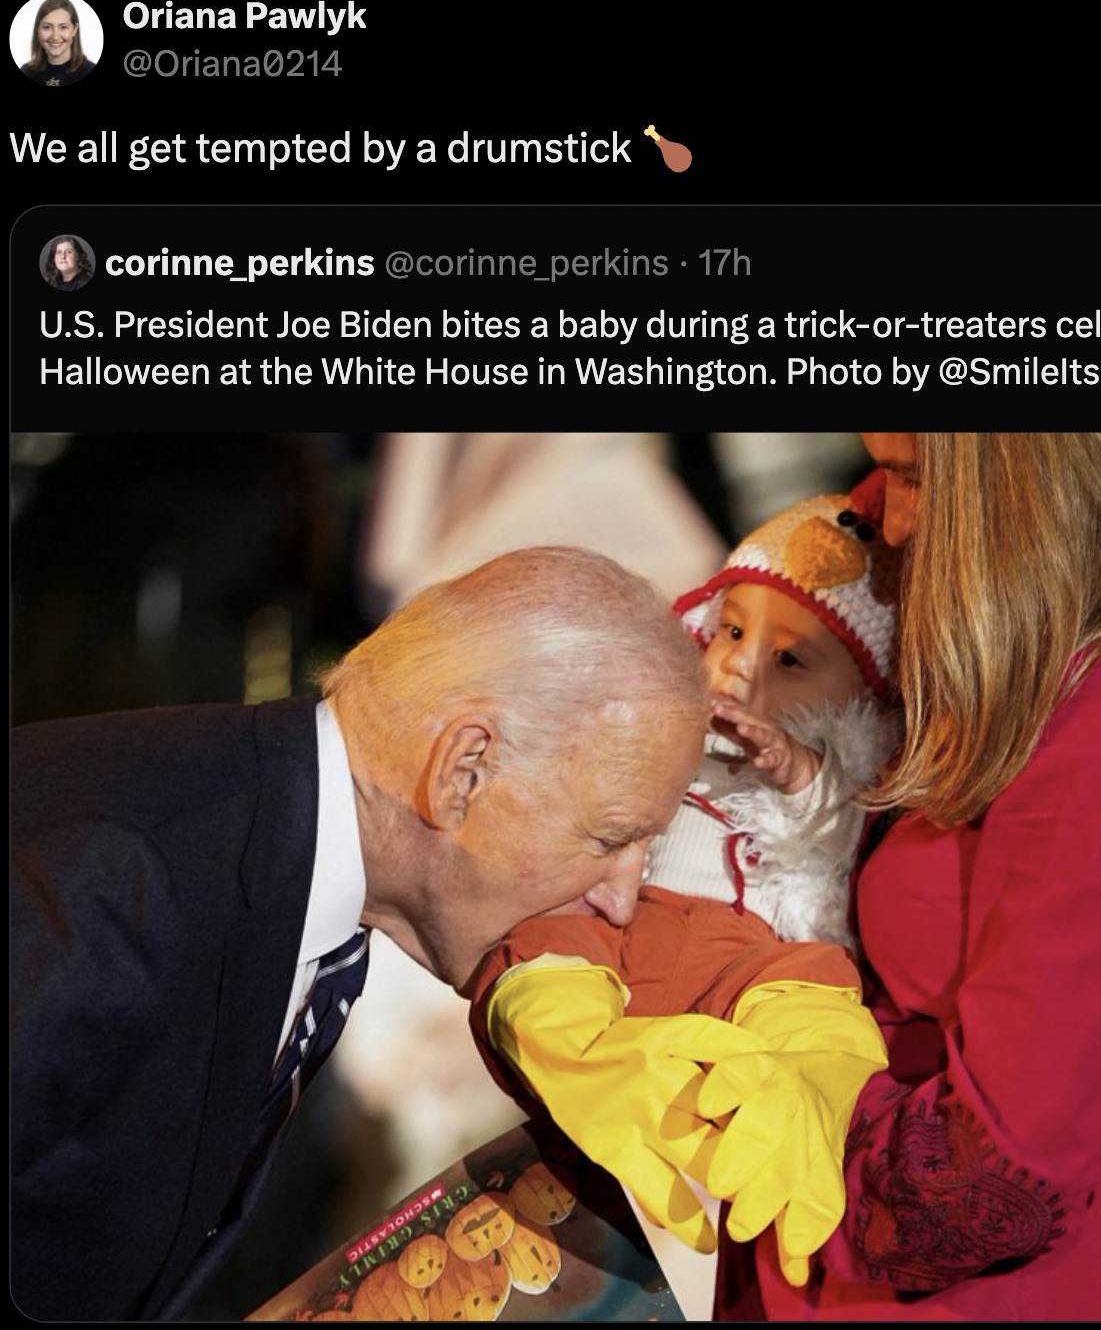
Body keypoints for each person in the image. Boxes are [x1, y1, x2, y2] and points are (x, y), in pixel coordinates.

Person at [10, 545, 744, 1323]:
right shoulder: (108, 879)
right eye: (608, 840)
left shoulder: (294, 874)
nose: (620, 900)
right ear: (463, 773)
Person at [713, 433, 1101, 1322]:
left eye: (917, 480)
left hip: (983, 1287)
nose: (884, 518)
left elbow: (995, 1178)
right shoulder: (1043, 645)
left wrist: (724, 1116)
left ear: (1043, 475)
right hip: (853, 1241)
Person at [466, 474, 901, 1274]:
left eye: (790, 660)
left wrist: (800, 771)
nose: (736, 670)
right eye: (731, 632)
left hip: (745, 964)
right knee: (543, 956)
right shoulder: (673, 732)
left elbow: (839, 849)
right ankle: (591, 1061)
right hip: (623, 926)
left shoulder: (845, 778)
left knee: (821, 1000)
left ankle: (795, 1105)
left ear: (864, 700)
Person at [22, 0, 96, 85]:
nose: (55, 36)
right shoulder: (27, 72)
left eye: (63, 27)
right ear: (38, 30)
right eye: (47, 27)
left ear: (74, 30)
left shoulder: (89, 71)